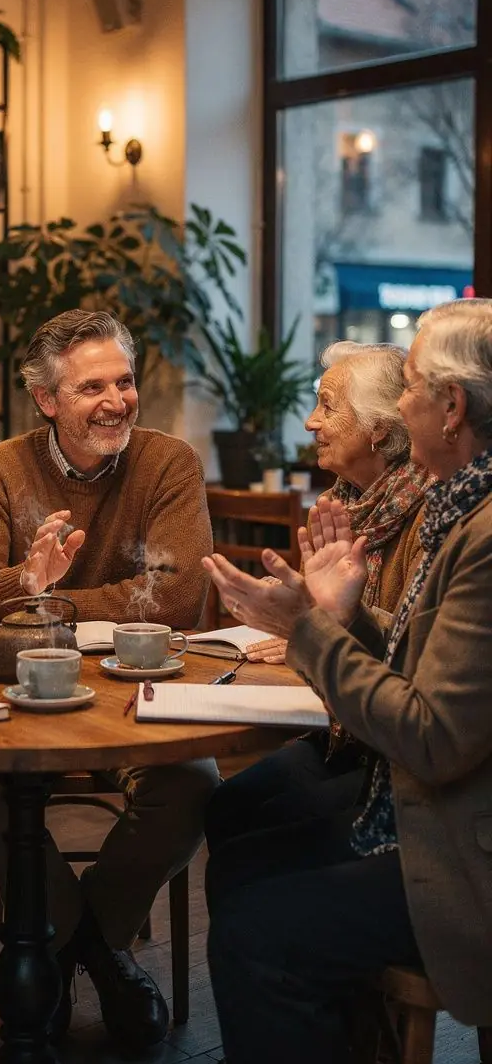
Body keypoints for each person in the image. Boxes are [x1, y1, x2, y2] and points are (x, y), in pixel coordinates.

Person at [201, 297, 492, 1064]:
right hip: (434, 809)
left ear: (452, 410)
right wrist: (340, 619)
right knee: (250, 847)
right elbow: (421, 687)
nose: (398, 412)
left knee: (258, 935)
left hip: (466, 852)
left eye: (408, 390)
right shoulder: (459, 509)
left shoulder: (481, 534)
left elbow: (434, 737)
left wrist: (308, 631)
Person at [0, 308, 217, 1050]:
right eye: (93, 385)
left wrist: (41, 604)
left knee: (192, 783)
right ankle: (87, 948)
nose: (117, 401)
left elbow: (179, 595)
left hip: (134, 693)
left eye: (124, 382)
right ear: (47, 399)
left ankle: (73, 951)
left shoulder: (167, 464)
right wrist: (22, 576)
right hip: (17, 697)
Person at [206, 341, 430, 845]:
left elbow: (422, 652)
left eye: (327, 406)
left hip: (396, 750)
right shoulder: (337, 507)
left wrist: (311, 623)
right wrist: (295, 621)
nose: (310, 422)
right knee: (227, 804)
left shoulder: (430, 514)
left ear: (379, 428)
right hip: (342, 731)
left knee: (259, 833)